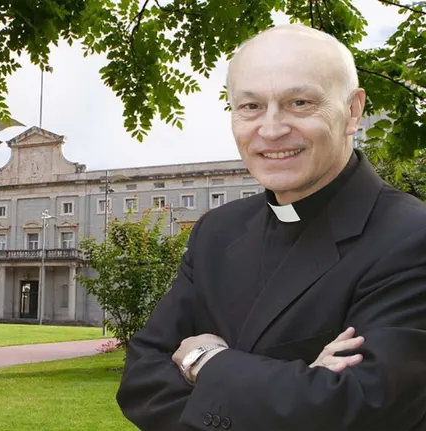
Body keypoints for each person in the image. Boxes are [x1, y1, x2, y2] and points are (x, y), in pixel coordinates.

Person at [116, 23, 426, 431]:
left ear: (353, 111)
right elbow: (140, 381)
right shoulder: (216, 231)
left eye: (300, 102)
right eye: (250, 107)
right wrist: (296, 386)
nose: (272, 129)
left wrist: (206, 362)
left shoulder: (410, 236)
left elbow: (362, 410)